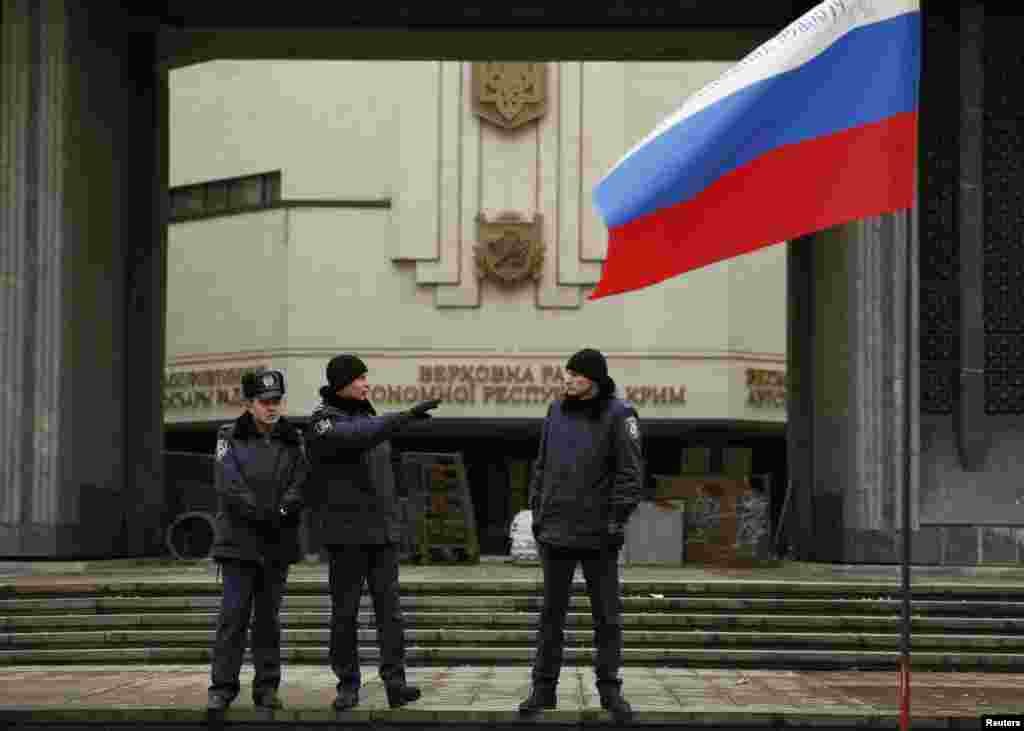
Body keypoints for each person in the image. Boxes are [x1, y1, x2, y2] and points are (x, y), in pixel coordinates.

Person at [305, 354, 441, 711]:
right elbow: (357, 437)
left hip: (382, 536)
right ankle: (348, 684)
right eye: (361, 378)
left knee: (391, 614)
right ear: (342, 384)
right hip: (346, 536)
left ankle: (396, 683)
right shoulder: (323, 421)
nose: (367, 384)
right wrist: (405, 416)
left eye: (367, 378)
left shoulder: (370, 418)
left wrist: (396, 523)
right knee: (345, 614)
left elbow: (384, 477)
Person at [518, 348, 642, 722]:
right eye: (566, 374)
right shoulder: (555, 411)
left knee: (607, 617)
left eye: (575, 374)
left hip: (599, 535)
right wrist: (538, 515)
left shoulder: (620, 415)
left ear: (594, 379)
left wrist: (616, 521)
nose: (567, 380)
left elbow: (630, 474)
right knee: (550, 617)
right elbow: (541, 467)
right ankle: (543, 690)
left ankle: (609, 691)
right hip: (555, 532)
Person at [207, 369, 308, 713]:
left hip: (277, 542)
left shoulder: (293, 438)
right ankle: (222, 688)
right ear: (249, 403)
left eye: (276, 401)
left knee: (268, 620)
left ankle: (266, 688)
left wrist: (282, 509)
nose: (272, 407)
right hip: (239, 541)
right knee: (233, 617)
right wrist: (261, 512)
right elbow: (228, 483)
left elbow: (301, 481)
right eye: (265, 402)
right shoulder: (228, 436)